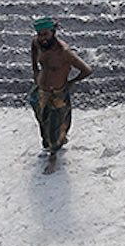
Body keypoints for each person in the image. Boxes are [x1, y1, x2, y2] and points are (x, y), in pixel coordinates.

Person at [29, 16, 92, 154]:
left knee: (55, 126)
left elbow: (86, 70)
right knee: (42, 120)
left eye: (46, 34)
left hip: (57, 94)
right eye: (40, 35)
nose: (42, 38)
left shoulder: (64, 52)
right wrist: (35, 71)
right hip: (40, 91)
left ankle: (53, 156)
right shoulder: (37, 43)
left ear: (53, 32)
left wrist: (70, 83)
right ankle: (50, 145)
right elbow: (34, 53)